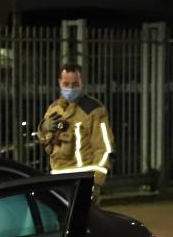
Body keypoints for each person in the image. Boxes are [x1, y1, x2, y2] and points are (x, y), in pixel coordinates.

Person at [36, 62, 114, 199]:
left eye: (75, 84)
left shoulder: (94, 110)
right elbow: (47, 147)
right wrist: (43, 129)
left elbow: (104, 148)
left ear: (82, 83)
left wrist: (95, 182)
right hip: (58, 179)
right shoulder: (54, 109)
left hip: (82, 180)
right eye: (66, 84)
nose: (70, 88)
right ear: (59, 82)